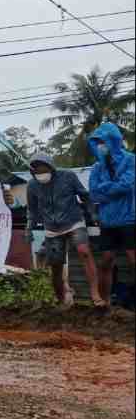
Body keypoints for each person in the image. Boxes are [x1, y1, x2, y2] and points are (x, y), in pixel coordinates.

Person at [24, 150, 103, 307]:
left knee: (84, 252)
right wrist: (29, 228)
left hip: (74, 221)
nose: (41, 174)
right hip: (52, 229)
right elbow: (32, 210)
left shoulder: (68, 176)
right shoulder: (32, 185)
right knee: (56, 266)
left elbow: (84, 196)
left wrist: (93, 214)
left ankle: (95, 294)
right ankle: (60, 301)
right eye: (37, 172)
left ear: (51, 167)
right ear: (32, 173)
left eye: (44, 170)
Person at [88, 122, 136, 308]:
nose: (101, 145)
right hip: (107, 221)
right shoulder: (97, 168)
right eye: (97, 142)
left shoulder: (130, 160)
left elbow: (127, 185)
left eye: (103, 141)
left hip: (130, 218)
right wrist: (111, 190)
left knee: (134, 260)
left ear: (113, 141)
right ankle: (105, 302)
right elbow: (94, 194)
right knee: (106, 260)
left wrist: (105, 188)